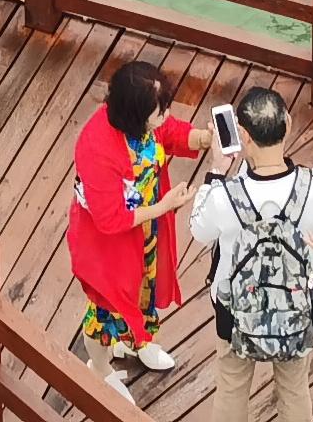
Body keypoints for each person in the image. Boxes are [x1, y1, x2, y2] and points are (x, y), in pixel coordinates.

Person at [184, 84, 313, 422]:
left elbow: (198, 231)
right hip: (299, 307)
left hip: (235, 309)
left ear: (243, 134)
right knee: (295, 388)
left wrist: (216, 170)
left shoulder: (225, 196)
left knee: (231, 387)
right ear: (288, 123)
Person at [67, 58, 210, 396]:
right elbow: (109, 219)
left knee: (145, 290)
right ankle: (99, 369)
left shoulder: (144, 123)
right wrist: (163, 207)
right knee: (104, 311)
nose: (164, 116)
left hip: (144, 234)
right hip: (109, 248)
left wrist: (203, 138)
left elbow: (171, 131)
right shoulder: (96, 148)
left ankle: (138, 342)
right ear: (136, 115)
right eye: (159, 111)